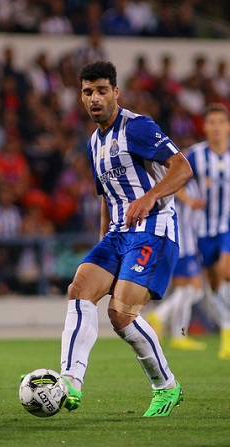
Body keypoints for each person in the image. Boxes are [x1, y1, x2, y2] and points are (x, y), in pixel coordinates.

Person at [58, 60, 192, 418]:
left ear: (116, 92)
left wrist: (149, 197)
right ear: (81, 97)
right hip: (117, 236)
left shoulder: (138, 127)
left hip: (154, 230)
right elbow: (106, 197)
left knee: (120, 313)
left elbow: (182, 167)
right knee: (79, 290)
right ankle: (69, 381)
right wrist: (102, 246)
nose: (95, 98)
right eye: (88, 92)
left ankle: (166, 386)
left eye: (102, 90)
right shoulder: (93, 143)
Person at [183, 103, 230, 359]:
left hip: (227, 226)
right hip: (202, 231)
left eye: (220, 123)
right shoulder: (196, 155)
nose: (216, 128)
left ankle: (227, 334)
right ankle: (225, 330)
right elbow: (174, 178)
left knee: (226, 271)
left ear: (228, 127)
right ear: (205, 127)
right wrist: (189, 200)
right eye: (211, 123)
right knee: (213, 286)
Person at [145, 178, 207, 350]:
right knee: (191, 289)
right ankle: (163, 319)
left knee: (189, 291)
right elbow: (175, 188)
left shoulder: (192, 180)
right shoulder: (178, 178)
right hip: (181, 243)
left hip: (188, 242)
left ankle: (175, 332)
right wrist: (190, 201)